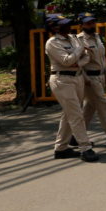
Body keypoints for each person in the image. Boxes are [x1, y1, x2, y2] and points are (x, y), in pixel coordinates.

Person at [44, 14, 99, 162]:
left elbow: (86, 57)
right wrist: (78, 52)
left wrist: (77, 62)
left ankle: (61, 148)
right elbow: (67, 61)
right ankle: (85, 148)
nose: (68, 26)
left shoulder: (73, 39)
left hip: (77, 77)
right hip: (62, 80)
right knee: (76, 115)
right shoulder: (52, 43)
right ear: (55, 27)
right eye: (64, 24)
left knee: (69, 114)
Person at [74, 12, 106, 149]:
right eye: (88, 23)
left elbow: (102, 58)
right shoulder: (78, 40)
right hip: (90, 78)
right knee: (103, 106)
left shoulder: (97, 37)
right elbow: (78, 62)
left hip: (100, 76)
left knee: (89, 107)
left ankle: (75, 136)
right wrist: (85, 78)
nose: (91, 25)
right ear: (81, 25)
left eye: (93, 22)